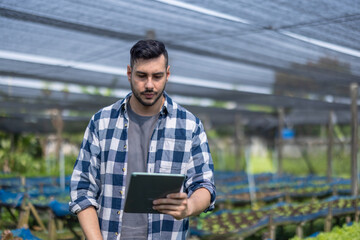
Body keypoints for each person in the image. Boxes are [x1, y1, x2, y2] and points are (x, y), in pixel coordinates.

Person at [69, 39, 216, 240]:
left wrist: (189, 206)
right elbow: (82, 188)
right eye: (141, 76)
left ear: (168, 74)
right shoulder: (102, 122)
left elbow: (204, 184)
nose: (149, 85)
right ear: (129, 73)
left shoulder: (189, 125)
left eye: (157, 76)